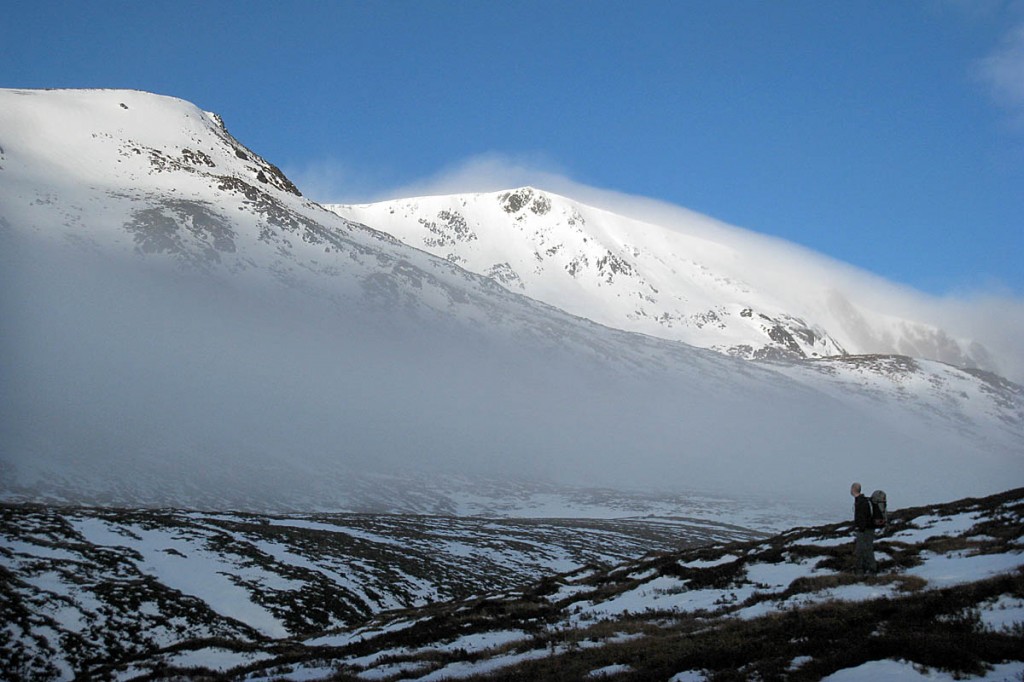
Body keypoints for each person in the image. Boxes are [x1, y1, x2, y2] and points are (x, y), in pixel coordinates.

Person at [850, 482, 877, 574]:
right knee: (865, 549)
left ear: (854, 489)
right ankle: (867, 569)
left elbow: (862, 517)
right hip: (868, 529)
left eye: (852, 488)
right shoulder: (863, 500)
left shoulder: (861, 501)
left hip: (865, 530)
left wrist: (860, 528)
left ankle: (866, 570)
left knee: (863, 549)